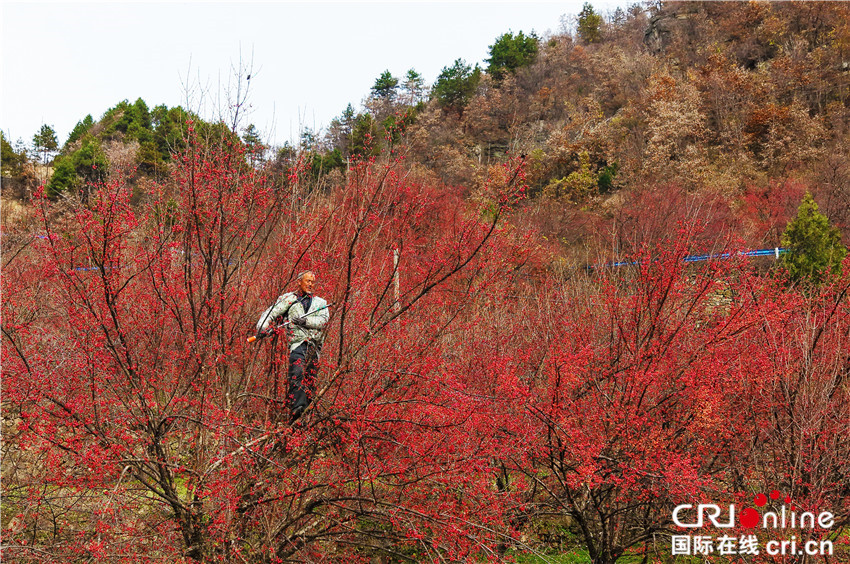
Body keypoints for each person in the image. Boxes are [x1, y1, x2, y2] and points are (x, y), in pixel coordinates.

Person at [255, 271, 329, 422]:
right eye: (307, 281)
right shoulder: (289, 299)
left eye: (312, 282)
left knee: (310, 378)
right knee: (297, 371)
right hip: (298, 344)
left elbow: (324, 321)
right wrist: (263, 327)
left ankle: (306, 414)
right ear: (299, 282)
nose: (310, 284)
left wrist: (306, 322)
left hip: (314, 346)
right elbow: (271, 312)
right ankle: (297, 409)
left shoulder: (321, 303)